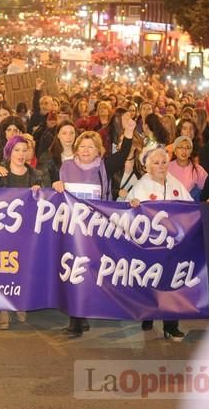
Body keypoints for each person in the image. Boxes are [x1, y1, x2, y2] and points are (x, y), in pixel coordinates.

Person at [53, 113, 136, 336]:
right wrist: (56, 186)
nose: (86, 151)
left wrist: (128, 132)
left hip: (96, 229)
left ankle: (85, 312)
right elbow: (54, 195)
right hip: (71, 230)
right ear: (76, 148)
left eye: (91, 147)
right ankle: (76, 320)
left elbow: (122, 154)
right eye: (83, 146)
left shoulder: (104, 167)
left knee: (90, 273)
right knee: (74, 273)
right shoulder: (65, 167)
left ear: (98, 151)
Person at [0, 135, 43, 330]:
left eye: (24, 150)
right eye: (17, 150)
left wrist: (40, 191)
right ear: (9, 152)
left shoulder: (36, 174)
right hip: (1, 230)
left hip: (26, 230)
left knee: (23, 268)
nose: (21, 154)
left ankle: (20, 303)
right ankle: (2, 309)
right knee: (2, 269)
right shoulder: (0, 171)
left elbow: (45, 200)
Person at [126, 145, 191, 341]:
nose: (161, 166)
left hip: (173, 245)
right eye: (156, 163)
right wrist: (134, 205)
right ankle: (148, 314)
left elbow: (189, 208)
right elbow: (127, 212)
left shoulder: (175, 184)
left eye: (164, 162)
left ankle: (171, 325)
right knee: (150, 281)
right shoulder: (140, 186)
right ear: (147, 166)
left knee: (172, 284)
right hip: (150, 245)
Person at [168, 135, 207, 201]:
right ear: (175, 151)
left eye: (187, 148)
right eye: (180, 147)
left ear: (190, 152)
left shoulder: (198, 169)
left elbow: (207, 188)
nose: (184, 150)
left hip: (191, 205)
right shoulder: (167, 168)